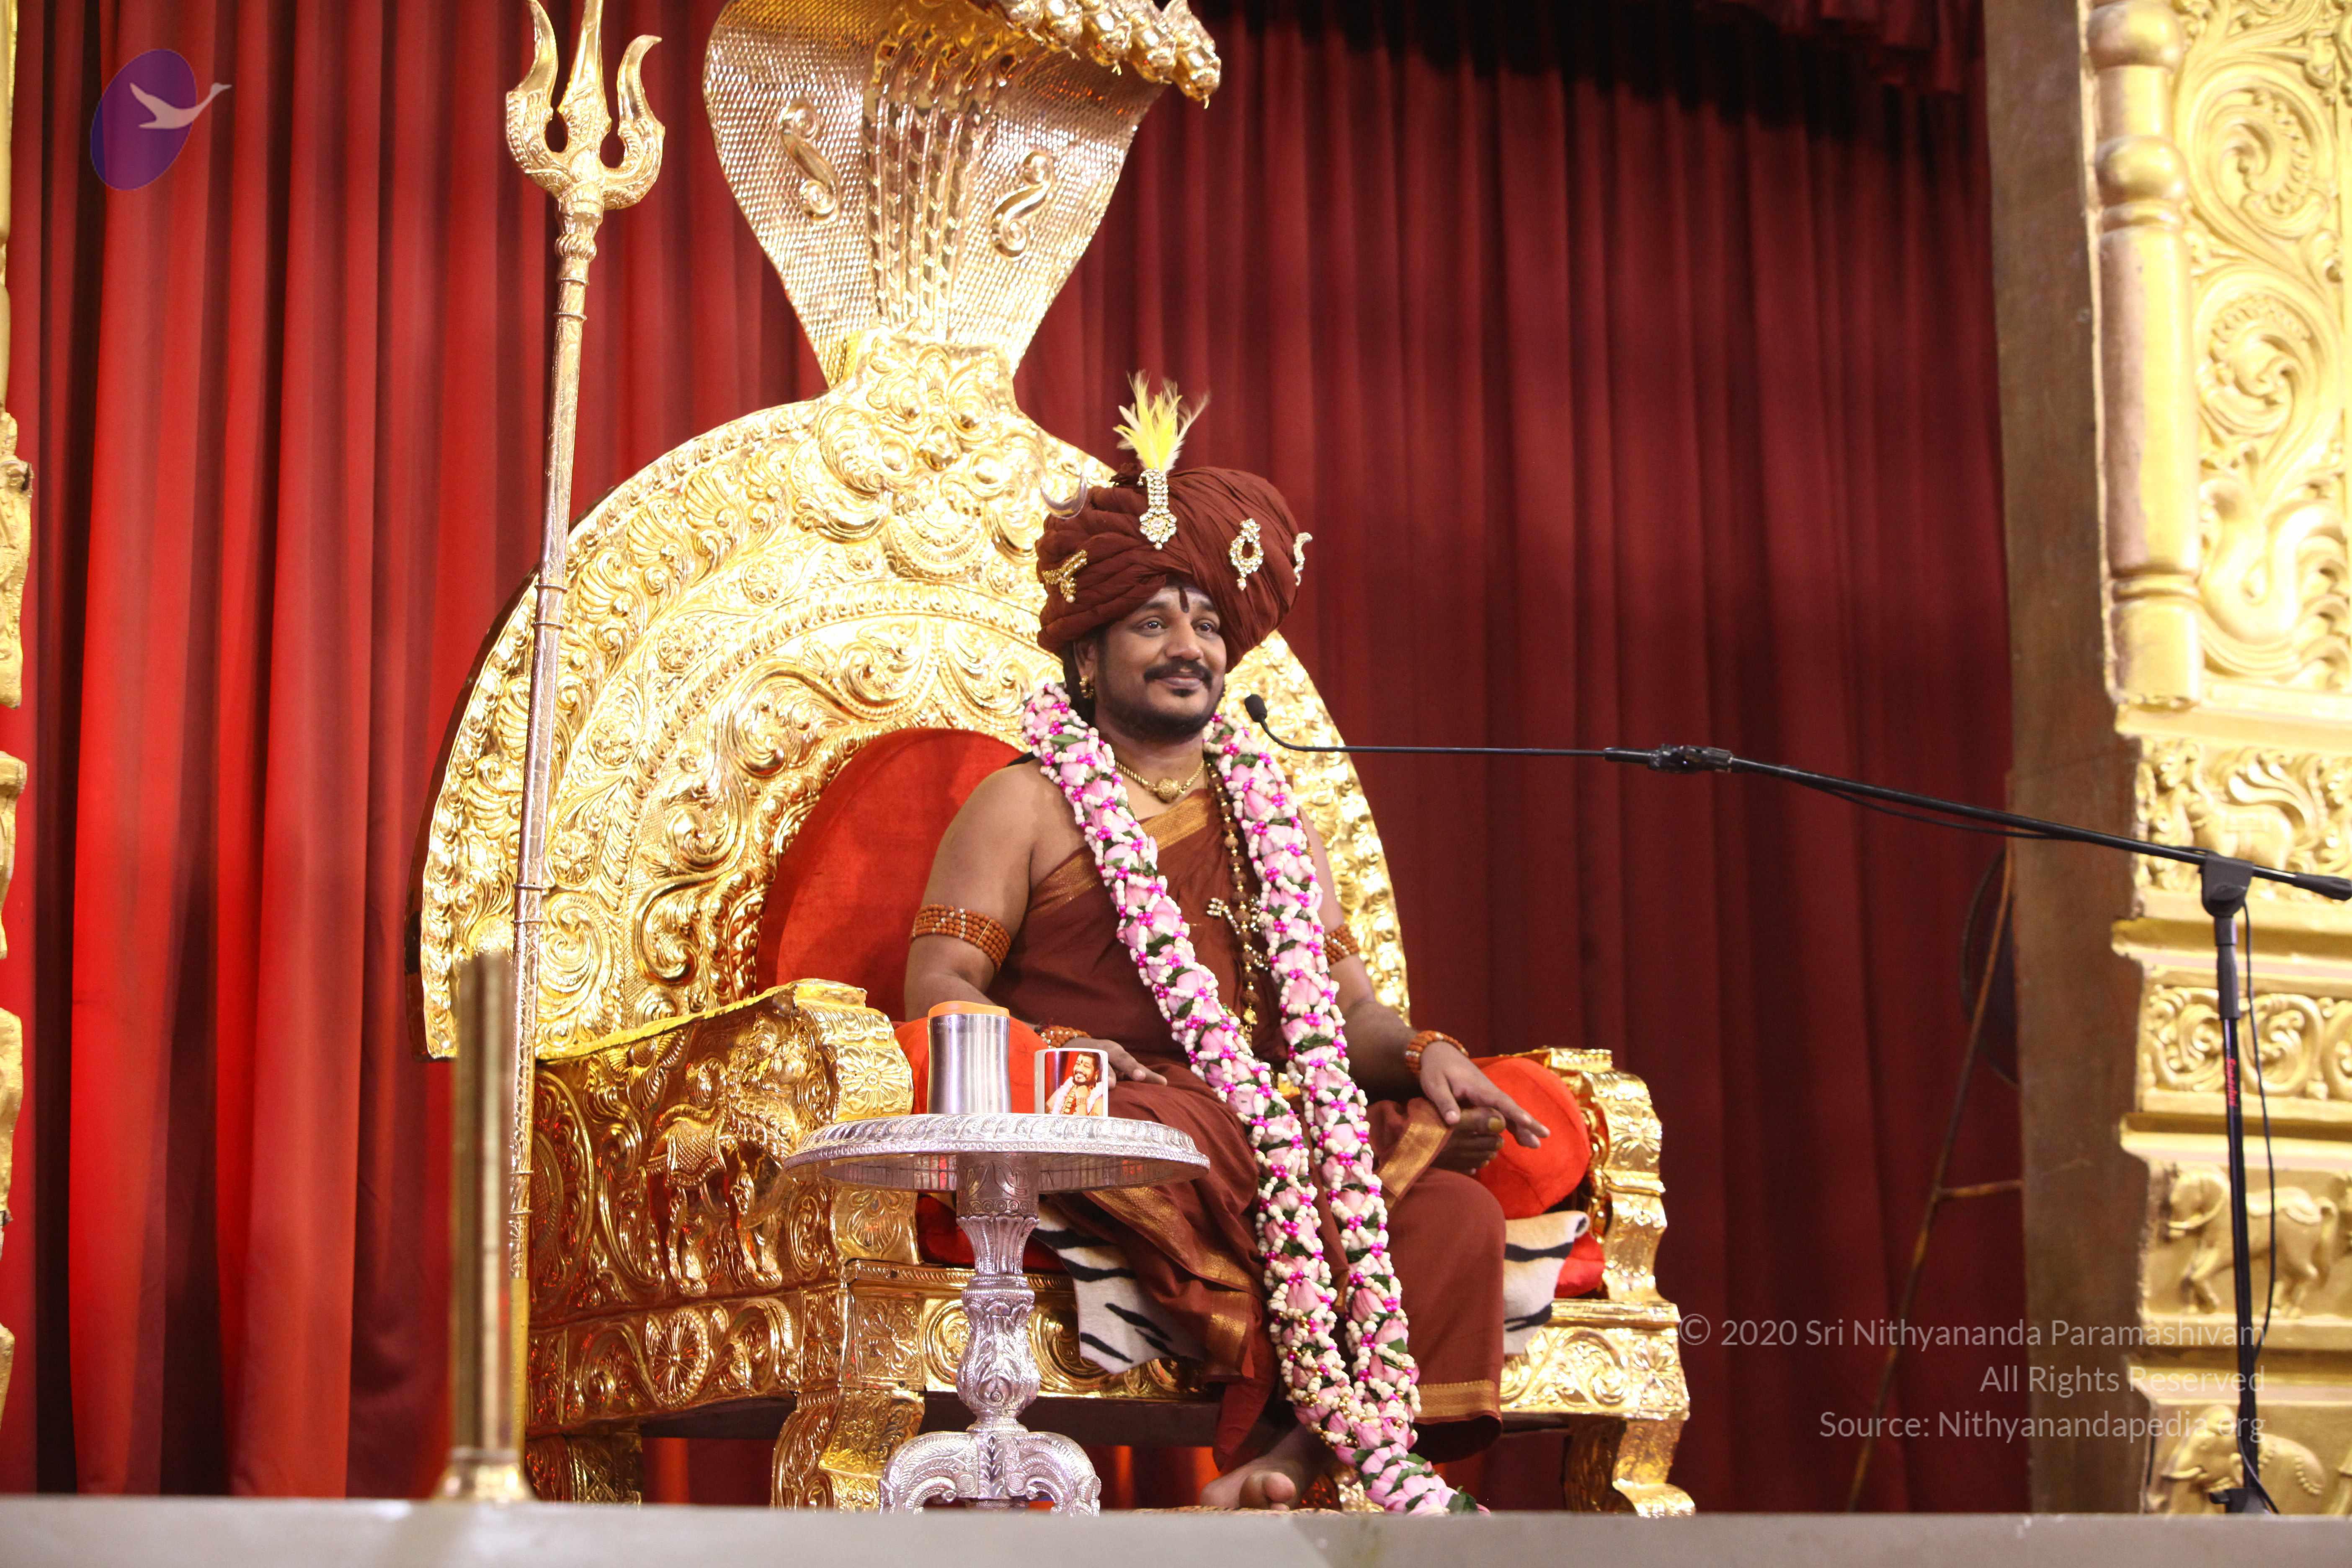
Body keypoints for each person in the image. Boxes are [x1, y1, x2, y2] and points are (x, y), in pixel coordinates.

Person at [904, 381, 1550, 1511]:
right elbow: (937, 981)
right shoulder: (1025, 804)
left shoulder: (1277, 817)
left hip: (1268, 1122)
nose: (1188, 646)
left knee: (1458, 1211)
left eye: (1206, 622)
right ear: (1088, 655)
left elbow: (1347, 1012)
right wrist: (1055, 1053)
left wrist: (1428, 1053)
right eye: (1153, 621)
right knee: (1183, 1133)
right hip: (1117, 1116)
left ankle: (1297, 1458)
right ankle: (1306, 1442)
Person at [1045, 1048, 1111, 1116]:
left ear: (1096, 1073)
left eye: (1086, 1066)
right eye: (1077, 1064)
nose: (1080, 1069)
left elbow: (1087, 1123)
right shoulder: (1062, 1092)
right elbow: (1042, 1116)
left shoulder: (1099, 1102)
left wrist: (1082, 1099)